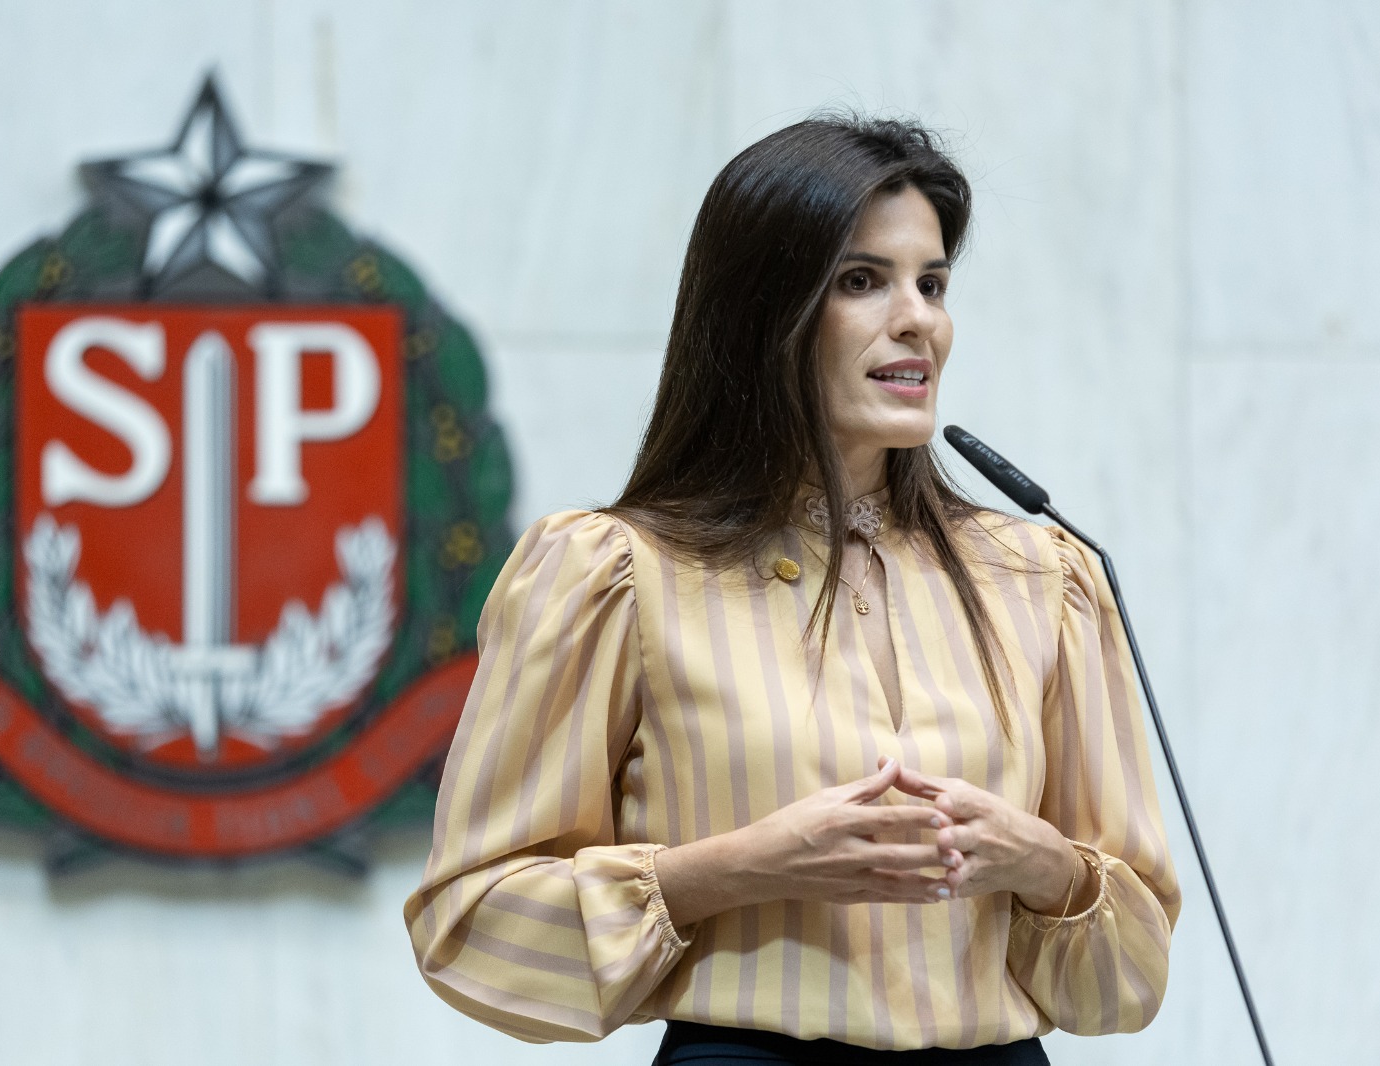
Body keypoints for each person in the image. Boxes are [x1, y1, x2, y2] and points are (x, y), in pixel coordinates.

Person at [404, 115, 1180, 1065]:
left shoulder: (1042, 578)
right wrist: (743, 866)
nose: (918, 319)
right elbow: (472, 925)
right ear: (762, 313)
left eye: (932, 283)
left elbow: (1130, 977)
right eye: (862, 281)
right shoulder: (615, 574)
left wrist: (1042, 862)